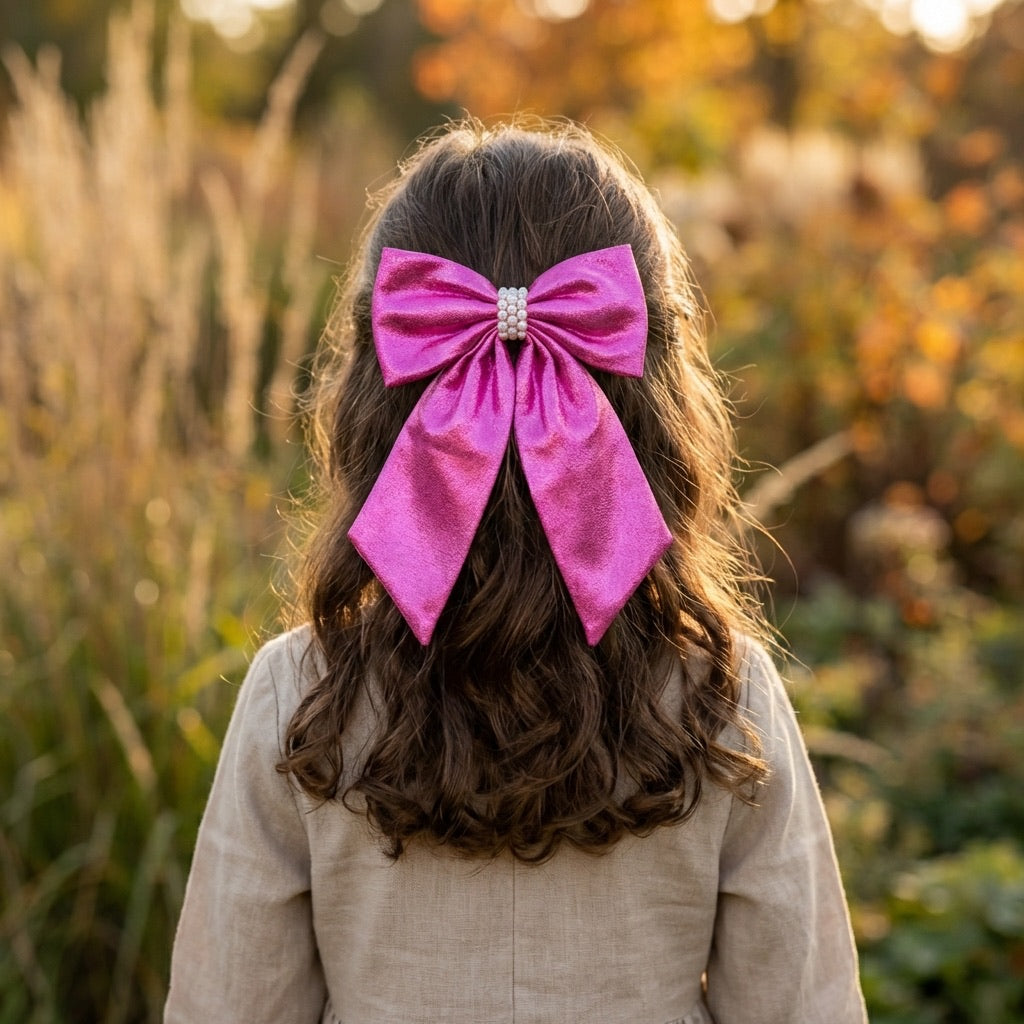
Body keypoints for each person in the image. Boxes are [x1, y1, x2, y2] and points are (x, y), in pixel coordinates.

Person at [165, 119, 867, 1024]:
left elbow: (227, 1006)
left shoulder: (299, 696)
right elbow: (805, 1008)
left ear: (378, 388)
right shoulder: (724, 698)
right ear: (653, 392)